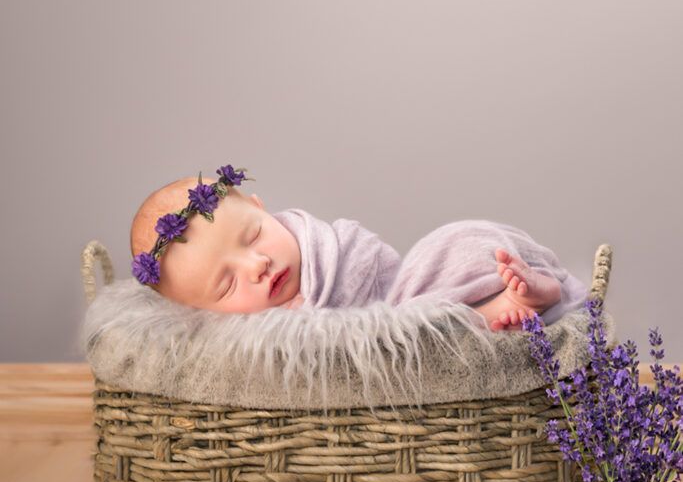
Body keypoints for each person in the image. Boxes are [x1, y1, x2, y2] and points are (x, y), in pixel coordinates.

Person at [130, 175, 563, 331]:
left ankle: (531, 285)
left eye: (254, 236)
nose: (258, 265)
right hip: (407, 345)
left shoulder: (333, 247)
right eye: (227, 285)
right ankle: (496, 312)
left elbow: (383, 276)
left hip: (403, 296)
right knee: (423, 337)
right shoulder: (249, 343)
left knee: (453, 244)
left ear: (263, 209)